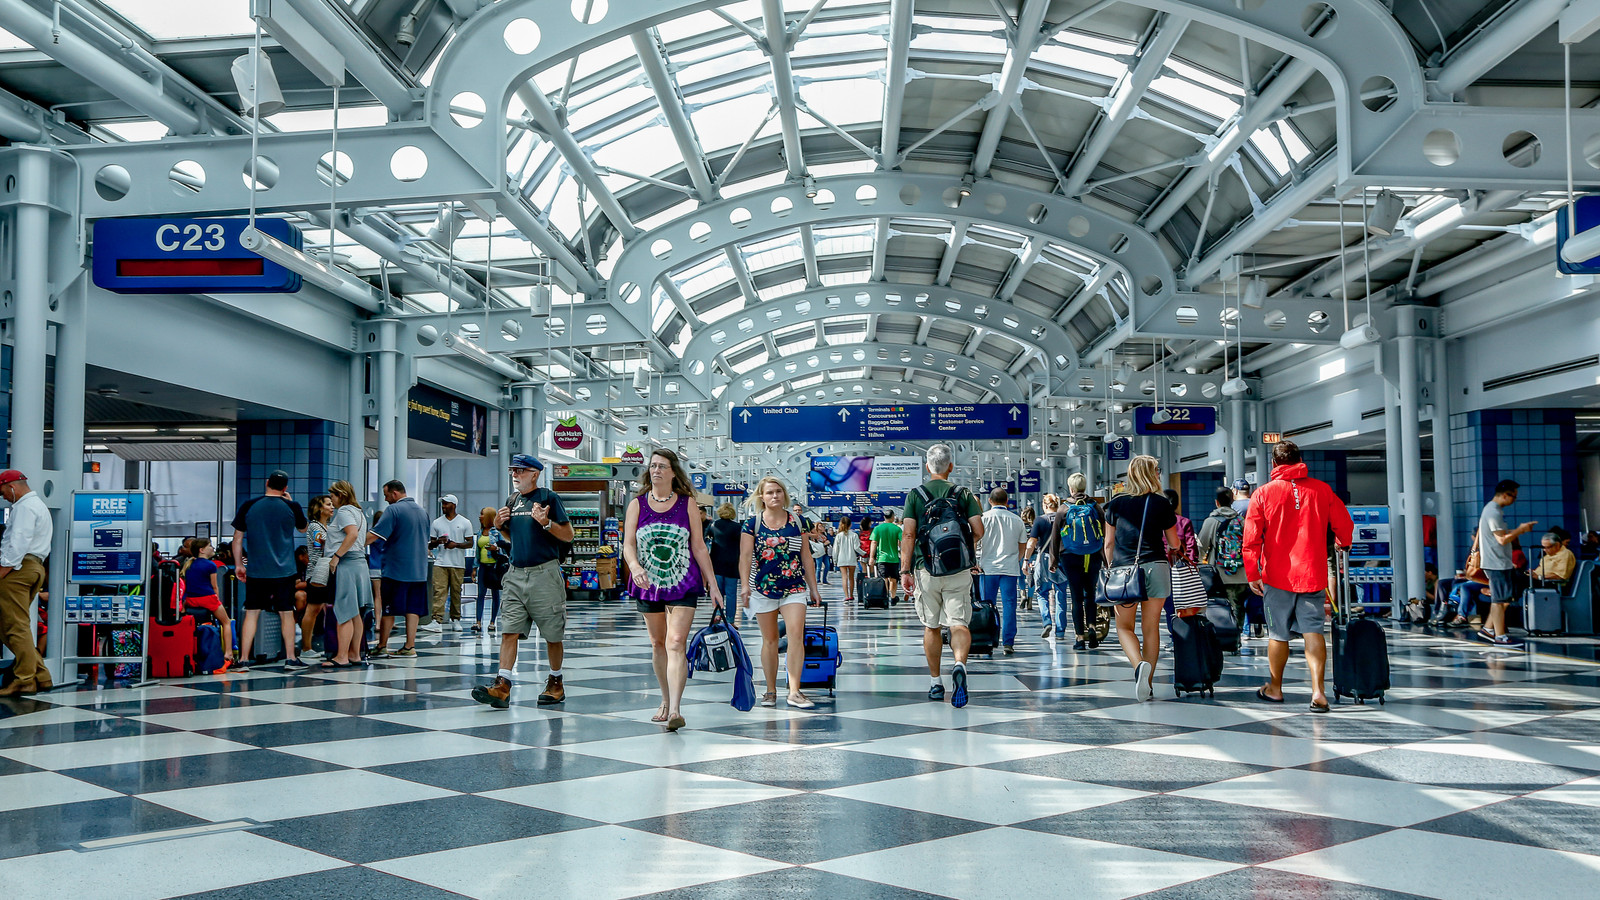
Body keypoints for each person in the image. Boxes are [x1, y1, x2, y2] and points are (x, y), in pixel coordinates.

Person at [1243, 440, 1354, 711]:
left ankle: (1275, 689)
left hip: (1277, 576)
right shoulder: (1322, 490)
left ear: (1274, 463)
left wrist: (1252, 572)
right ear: (1300, 460)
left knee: (1277, 634)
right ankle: (1318, 692)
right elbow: (1344, 524)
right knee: (1313, 631)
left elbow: (1251, 538)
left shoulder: (1263, 494)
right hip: (1312, 574)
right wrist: (1344, 541)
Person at [626, 449, 721, 730]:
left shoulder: (687, 504)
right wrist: (634, 566)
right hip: (647, 582)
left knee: (676, 642)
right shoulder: (637, 504)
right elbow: (628, 544)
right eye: (653, 466)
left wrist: (713, 585)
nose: (656, 470)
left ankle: (676, 709)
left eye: (662, 466)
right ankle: (665, 700)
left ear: (672, 472)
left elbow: (699, 547)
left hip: (683, 581)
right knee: (658, 643)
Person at [473, 453, 574, 709]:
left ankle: (556, 681)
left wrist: (546, 522)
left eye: (520, 470)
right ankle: (503, 685)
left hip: (545, 574)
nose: (515, 474)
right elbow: (515, 537)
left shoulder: (549, 498)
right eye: (513, 470)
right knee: (509, 630)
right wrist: (500, 526)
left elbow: (568, 534)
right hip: (516, 574)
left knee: (552, 633)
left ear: (535, 474)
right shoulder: (512, 500)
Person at [901, 444, 984, 708]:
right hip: (958, 569)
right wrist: (962, 551)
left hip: (926, 568)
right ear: (950, 466)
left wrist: (905, 570)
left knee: (932, 626)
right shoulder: (963, 493)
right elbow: (978, 530)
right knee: (959, 623)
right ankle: (959, 663)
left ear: (927, 467)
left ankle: (936, 682)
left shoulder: (916, 495)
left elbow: (909, 535)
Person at [740, 477, 822, 710]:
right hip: (763, 587)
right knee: (770, 640)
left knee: (796, 634)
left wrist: (813, 588)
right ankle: (770, 689)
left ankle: (795, 691)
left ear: (784, 494)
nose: (774, 496)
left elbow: (806, 556)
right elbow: (745, 557)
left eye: (778, 492)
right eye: (769, 493)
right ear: (761, 497)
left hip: (794, 586)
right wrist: (745, 586)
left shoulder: (798, 521)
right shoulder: (752, 524)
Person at [1102, 457, 1180, 700]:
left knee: (1124, 626)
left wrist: (1110, 567)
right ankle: (1148, 683)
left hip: (1124, 573)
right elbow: (1174, 543)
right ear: (1152, 474)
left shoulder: (1115, 505)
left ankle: (1138, 666)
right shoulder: (1161, 503)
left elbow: (1108, 544)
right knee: (1151, 628)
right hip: (1156, 568)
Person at [229, 470, 309, 672]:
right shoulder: (291, 506)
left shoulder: (249, 506)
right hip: (285, 571)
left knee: (252, 613)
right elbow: (303, 528)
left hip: (256, 570)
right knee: (286, 614)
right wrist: (291, 502)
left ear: (267, 483)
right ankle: (290, 658)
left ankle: (244, 660)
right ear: (285, 488)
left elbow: (237, 539)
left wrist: (239, 564)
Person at [0, 470, 53, 696]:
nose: (3, 496)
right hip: (35, 567)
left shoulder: (23, 507)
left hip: (19, 569)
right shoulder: (39, 505)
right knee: (10, 625)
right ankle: (41, 675)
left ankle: (24, 679)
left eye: (2, 491)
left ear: (12, 486)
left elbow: (17, 542)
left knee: (15, 626)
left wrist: (2, 571)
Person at [367, 480, 429, 657]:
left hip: (396, 570)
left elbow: (375, 535)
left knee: (389, 609)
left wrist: (351, 545)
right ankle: (410, 646)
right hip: (419, 571)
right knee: (413, 609)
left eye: (386, 496)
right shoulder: (422, 512)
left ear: (394, 494)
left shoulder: (393, 510)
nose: (386, 500)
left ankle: (382, 646)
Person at [1046, 476, 1104, 650]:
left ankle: (1079, 638)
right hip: (1093, 554)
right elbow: (1104, 531)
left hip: (1071, 556)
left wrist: (1053, 560)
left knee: (1076, 597)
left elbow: (1055, 536)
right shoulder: (1095, 506)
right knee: (1091, 594)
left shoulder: (1064, 509)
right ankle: (1093, 628)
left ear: (1071, 489)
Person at [1478, 479, 1536, 647]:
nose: (1514, 500)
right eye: (1514, 497)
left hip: (1498, 561)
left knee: (1503, 599)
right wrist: (1521, 530)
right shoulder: (1493, 512)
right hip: (1496, 562)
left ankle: (1488, 629)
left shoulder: (1492, 510)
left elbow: (1500, 534)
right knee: (1499, 601)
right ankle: (1500, 636)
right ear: (1505, 495)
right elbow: (1502, 539)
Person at [322, 480, 372, 668]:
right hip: (359, 563)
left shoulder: (344, 512)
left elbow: (351, 534)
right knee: (356, 613)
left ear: (341, 495)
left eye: (333, 496)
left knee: (343, 610)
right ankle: (354, 654)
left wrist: (336, 556)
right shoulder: (359, 512)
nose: (332, 501)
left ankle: (342, 656)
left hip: (347, 564)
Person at [978, 488, 1027, 654]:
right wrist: (1016, 559)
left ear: (990, 501)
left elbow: (975, 541)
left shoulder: (983, 519)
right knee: (1009, 605)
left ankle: (988, 639)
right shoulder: (1017, 520)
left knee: (987, 606)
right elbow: (1022, 545)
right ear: (1007, 501)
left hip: (988, 568)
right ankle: (1008, 642)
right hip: (1010, 568)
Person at [1197, 485, 1250, 635]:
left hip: (1219, 574)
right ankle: (1236, 637)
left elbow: (1201, 547)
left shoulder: (1211, 521)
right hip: (1241, 573)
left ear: (1217, 502)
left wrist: (1200, 566)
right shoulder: (1241, 521)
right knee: (1238, 606)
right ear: (1232, 500)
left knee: (1220, 606)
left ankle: (1222, 636)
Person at [181, 540, 234, 672]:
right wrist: (218, 600)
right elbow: (215, 587)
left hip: (191, 600)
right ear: (202, 550)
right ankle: (228, 653)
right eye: (209, 546)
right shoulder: (211, 565)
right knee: (226, 622)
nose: (212, 548)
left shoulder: (189, 565)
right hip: (208, 598)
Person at [429, 494, 475, 632]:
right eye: (442, 503)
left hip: (458, 563)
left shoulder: (465, 522)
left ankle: (456, 619)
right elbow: (431, 545)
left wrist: (456, 545)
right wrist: (439, 541)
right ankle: (436, 620)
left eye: (446, 504)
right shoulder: (437, 523)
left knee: (456, 592)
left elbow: (470, 543)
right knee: (439, 591)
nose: (443, 506)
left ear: (453, 505)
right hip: (440, 562)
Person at [298, 495, 333, 660]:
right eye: (328, 504)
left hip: (324, 571)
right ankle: (306, 647)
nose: (332, 507)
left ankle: (312, 645)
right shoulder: (315, 527)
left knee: (319, 608)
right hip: (317, 572)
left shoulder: (327, 526)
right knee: (313, 609)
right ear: (319, 508)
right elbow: (320, 543)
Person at [471, 507, 510, 634]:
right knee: (480, 594)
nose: (479, 516)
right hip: (483, 566)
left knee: (495, 595)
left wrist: (496, 548)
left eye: (482, 514)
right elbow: (477, 552)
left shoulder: (497, 532)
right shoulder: (480, 532)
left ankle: (492, 622)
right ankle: (478, 622)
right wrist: (474, 568)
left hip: (495, 566)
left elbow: (505, 547)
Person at [1026, 495, 1060, 638]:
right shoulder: (1063, 517)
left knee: (1042, 592)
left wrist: (1026, 559)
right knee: (1061, 592)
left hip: (1044, 559)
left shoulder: (1039, 520)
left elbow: (1032, 542)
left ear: (1045, 505)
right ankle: (1061, 629)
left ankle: (1047, 622)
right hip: (1060, 559)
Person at [707, 502, 743, 625]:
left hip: (716, 563)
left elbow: (707, 539)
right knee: (731, 594)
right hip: (732, 564)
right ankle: (730, 619)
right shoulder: (738, 527)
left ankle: (717, 614)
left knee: (718, 591)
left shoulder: (714, 525)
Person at [871, 510, 904, 604]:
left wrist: (871, 557)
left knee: (884, 578)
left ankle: (885, 596)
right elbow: (901, 543)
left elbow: (874, 542)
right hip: (894, 558)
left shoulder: (877, 528)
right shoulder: (897, 529)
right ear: (893, 517)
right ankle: (893, 597)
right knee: (893, 579)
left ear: (884, 517)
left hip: (881, 558)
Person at [832, 516, 859, 603]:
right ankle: (851, 595)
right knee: (851, 577)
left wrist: (835, 561)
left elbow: (835, 550)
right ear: (850, 525)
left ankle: (846, 596)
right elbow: (856, 548)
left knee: (844, 577)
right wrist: (863, 553)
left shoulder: (838, 536)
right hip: (852, 558)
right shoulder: (854, 535)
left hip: (842, 559)